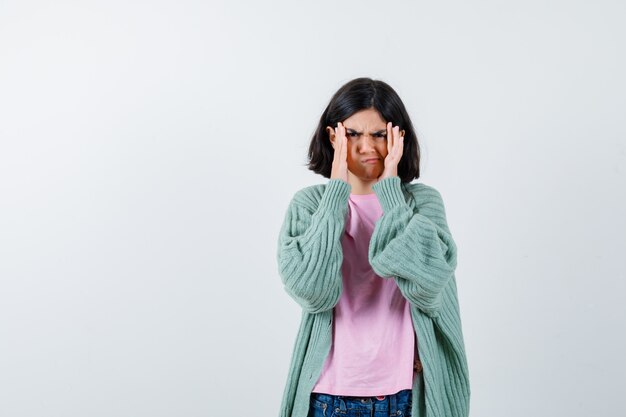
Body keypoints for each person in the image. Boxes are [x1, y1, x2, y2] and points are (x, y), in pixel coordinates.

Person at [276, 77, 470, 417]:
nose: (368, 146)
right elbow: (312, 291)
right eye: (353, 134)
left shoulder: (421, 203)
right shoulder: (308, 206)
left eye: (379, 135)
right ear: (333, 136)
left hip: (404, 395)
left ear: (398, 137)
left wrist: (391, 191)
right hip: (327, 395)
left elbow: (430, 284)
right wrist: (337, 189)